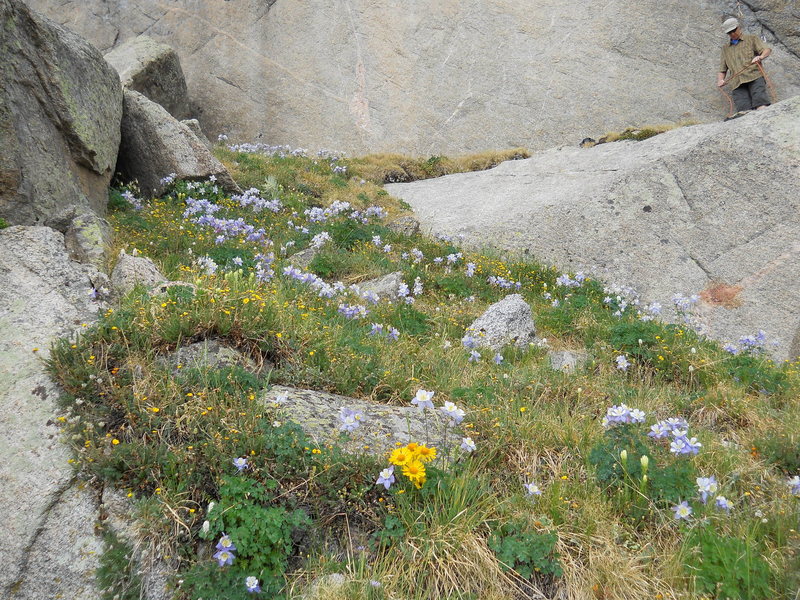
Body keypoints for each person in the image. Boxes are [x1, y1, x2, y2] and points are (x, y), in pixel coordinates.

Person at [717, 17, 771, 112]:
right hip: (737, 83)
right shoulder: (725, 49)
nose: (732, 34)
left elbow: (766, 50)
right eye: (729, 32)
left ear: (738, 27)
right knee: (744, 111)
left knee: (761, 104)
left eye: (734, 30)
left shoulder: (751, 38)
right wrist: (720, 80)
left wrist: (760, 57)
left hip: (754, 77)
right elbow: (722, 69)